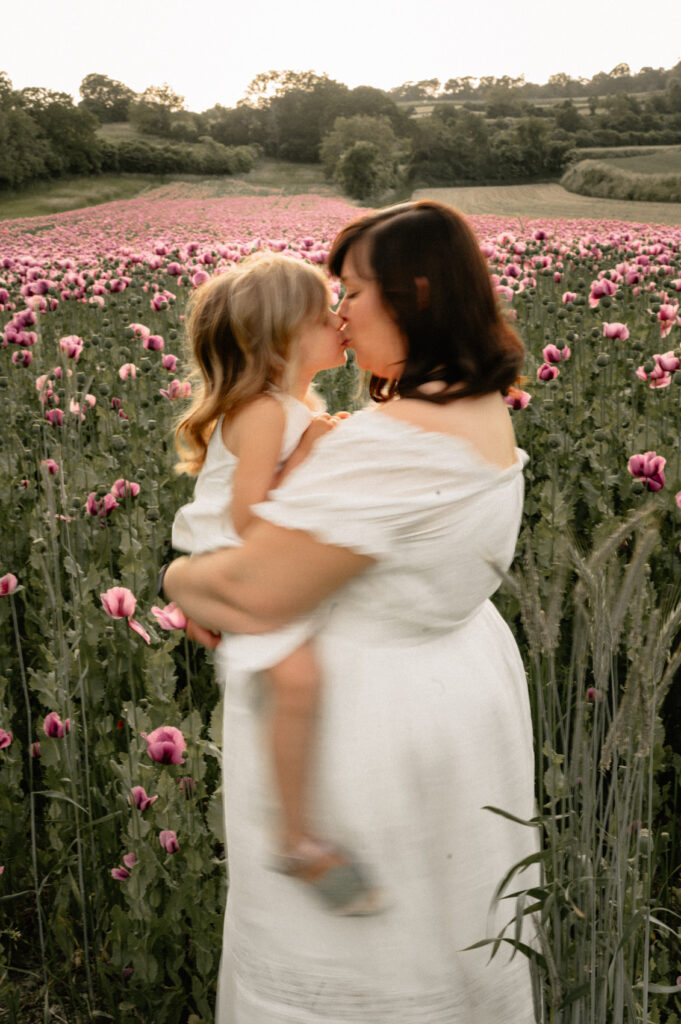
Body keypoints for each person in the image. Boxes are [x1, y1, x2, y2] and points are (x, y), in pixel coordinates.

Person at [163, 201, 538, 1023]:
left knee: (366, 983)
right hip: (451, 701)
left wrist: (180, 580)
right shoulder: (473, 407)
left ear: (415, 293)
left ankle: (305, 846)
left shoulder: (394, 439)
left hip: (370, 740)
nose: (341, 311)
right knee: (448, 947)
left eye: (354, 291)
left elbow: (253, 591)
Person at [171, 252, 381, 914]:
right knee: (297, 682)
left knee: (309, 681)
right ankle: (295, 841)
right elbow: (249, 516)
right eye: (323, 313)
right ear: (280, 340)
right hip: (236, 560)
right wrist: (318, 447)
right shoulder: (264, 413)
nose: (339, 319)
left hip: (258, 560)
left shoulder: (292, 406)